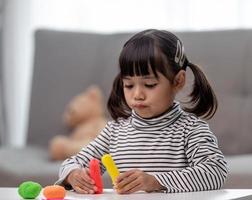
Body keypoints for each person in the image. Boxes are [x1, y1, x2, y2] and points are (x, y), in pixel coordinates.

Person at [55, 29, 228, 194]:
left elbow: (215, 171)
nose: (137, 95)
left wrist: (155, 181)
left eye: (150, 85)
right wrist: (73, 175)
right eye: (129, 85)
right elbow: (73, 162)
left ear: (178, 81)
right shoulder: (114, 131)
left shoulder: (191, 130)